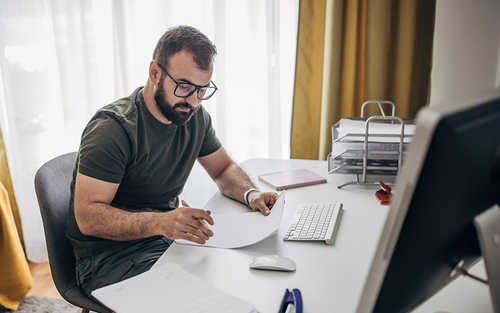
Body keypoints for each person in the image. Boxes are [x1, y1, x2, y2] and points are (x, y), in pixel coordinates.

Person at [66, 25, 279, 298]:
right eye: (184, 86)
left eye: (202, 89)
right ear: (155, 73)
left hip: (164, 241)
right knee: (199, 298)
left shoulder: (194, 117)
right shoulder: (113, 129)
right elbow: (88, 218)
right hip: (107, 258)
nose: (193, 101)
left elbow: (224, 168)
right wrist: (161, 223)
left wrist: (252, 194)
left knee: (237, 279)